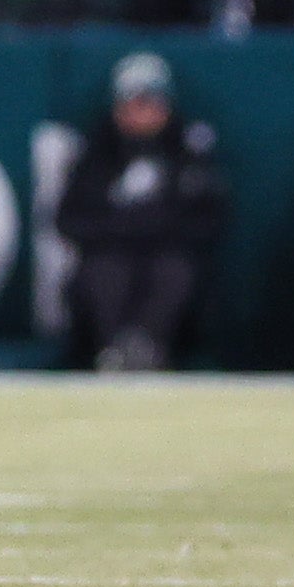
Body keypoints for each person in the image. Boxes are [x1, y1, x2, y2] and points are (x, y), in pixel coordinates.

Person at [54, 52, 226, 372]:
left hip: (168, 253)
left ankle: (148, 347)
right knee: (105, 271)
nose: (142, 113)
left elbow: (208, 219)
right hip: (109, 252)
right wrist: (128, 229)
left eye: (150, 103)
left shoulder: (188, 149)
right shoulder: (96, 151)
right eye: (133, 103)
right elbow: (69, 218)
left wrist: (144, 228)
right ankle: (112, 350)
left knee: (174, 271)